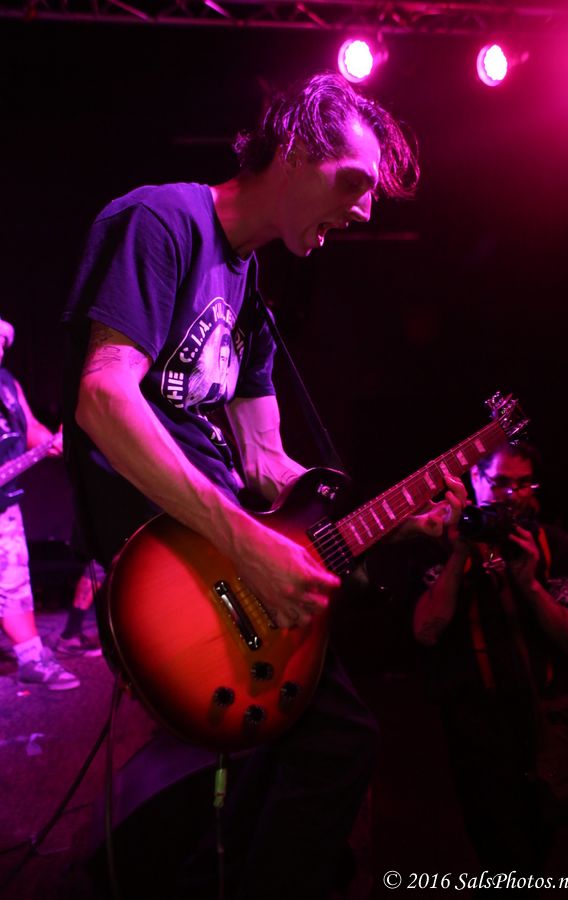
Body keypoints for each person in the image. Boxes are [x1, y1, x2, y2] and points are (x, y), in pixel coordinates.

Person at [62, 73, 465, 899]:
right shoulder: (163, 220)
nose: (364, 211)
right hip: (174, 555)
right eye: (353, 182)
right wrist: (246, 544)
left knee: (292, 748)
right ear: (296, 151)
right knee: (338, 741)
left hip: (221, 554)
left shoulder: (250, 292)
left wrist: (398, 517)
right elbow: (102, 398)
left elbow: (267, 464)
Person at [409, 442, 568, 885]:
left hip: (541, 715)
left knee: (539, 849)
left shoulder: (553, 543)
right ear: (475, 479)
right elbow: (426, 631)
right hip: (478, 724)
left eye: (524, 485)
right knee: (500, 853)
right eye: (502, 483)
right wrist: (459, 557)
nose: (513, 496)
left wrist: (531, 586)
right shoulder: (440, 542)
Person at [0, 316, 80, 691]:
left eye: (3, 342)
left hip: (5, 502)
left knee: (13, 582)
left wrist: (51, 442)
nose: (0, 347)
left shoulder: (7, 383)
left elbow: (29, 427)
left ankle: (32, 659)